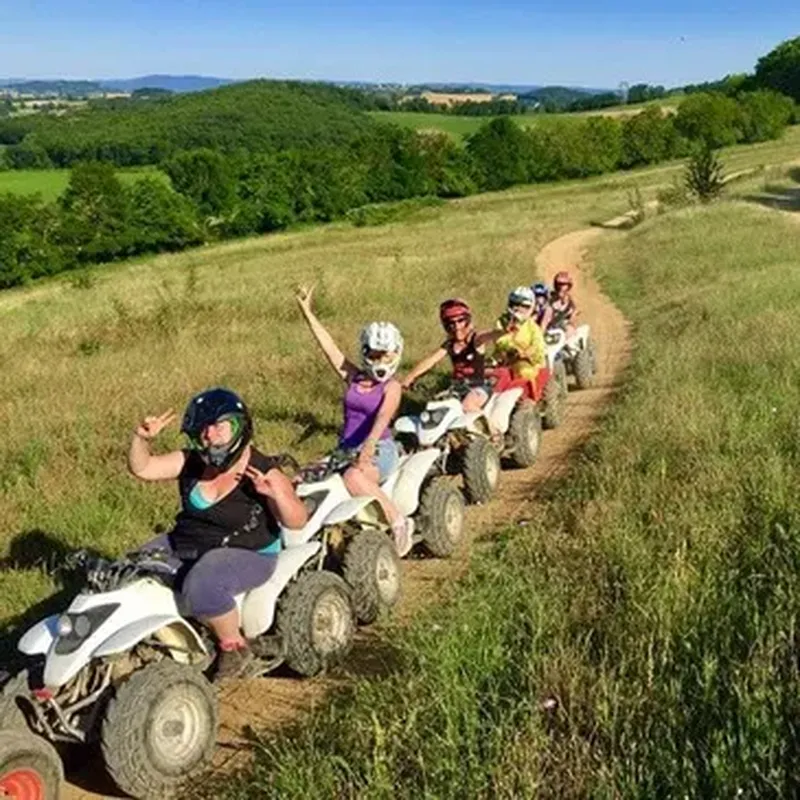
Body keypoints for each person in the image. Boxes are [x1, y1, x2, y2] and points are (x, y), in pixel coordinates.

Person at [128, 387, 308, 680]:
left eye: (219, 427)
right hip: (185, 542)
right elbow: (144, 468)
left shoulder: (263, 471)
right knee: (130, 569)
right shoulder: (191, 462)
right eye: (204, 430)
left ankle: (235, 646)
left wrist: (277, 494)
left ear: (239, 426)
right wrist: (141, 439)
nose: (211, 436)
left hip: (250, 552)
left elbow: (297, 521)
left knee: (202, 584)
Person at [295, 285, 414, 556]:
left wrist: (369, 446)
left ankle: (397, 520)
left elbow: (384, 417)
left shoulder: (392, 387)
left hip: (380, 450)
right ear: (365, 353)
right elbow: (328, 347)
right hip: (345, 449)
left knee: (352, 477)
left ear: (396, 353)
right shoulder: (354, 377)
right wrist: (307, 312)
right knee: (302, 477)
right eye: (374, 355)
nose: (381, 361)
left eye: (386, 355)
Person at [401, 298, 495, 413]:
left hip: (478, 388)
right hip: (456, 388)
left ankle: (489, 430)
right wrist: (410, 377)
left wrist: (504, 330)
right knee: (433, 409)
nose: (456, 326)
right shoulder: (449, 345)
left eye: (460, 321)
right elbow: (431, 360)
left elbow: (489, 335)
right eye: (451, 323)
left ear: (467, 320)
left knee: (468, 405)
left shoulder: (475, 340)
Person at [492, 286, 548, 391]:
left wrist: (527, 352)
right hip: (504, 359)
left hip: (527, 362)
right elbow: (499, 339)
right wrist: (511, 348)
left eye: (523, 306)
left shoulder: (532, 327)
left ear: (530, 307)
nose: (518, 308)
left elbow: (538, 346)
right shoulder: (502, 322)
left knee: (524, 372)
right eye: (515, 304)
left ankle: (522, 398)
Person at [550, 270, 578, 338]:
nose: (561, 287)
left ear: (569, 286)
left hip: (563, 331)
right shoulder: (550, 298)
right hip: (550, 329)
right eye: (559, 284)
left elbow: (572, 320)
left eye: (564, 284)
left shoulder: (571, 304)